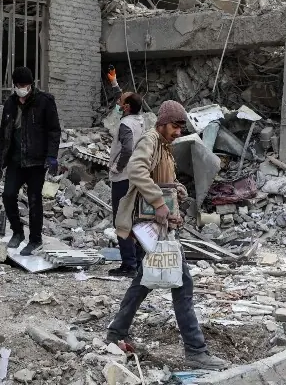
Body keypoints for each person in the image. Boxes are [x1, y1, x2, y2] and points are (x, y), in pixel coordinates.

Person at [106, 100, 228, 371]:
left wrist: (176, 193)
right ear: (162, 122)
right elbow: (137, 171)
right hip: (153, 226)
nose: (177, 132)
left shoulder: (164, 145)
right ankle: (196, 351)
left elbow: (161, 178)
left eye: (180, 128)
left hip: (160, 226)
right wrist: (161, 204)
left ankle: (116, 332)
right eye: (174, 126)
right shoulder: (150, 140)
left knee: (144, 281)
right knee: (182, 286)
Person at [0, 67, 61, 256]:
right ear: (14, 85)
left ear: (31, 85)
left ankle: (35, 240)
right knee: (8, 195)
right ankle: (17, 232)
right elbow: (4, 134)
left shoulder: (45, 102)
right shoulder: (10, 104)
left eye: (25, 85)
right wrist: (0, 160)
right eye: (19, 85)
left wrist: (52, 155)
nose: (22, 89)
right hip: (15, 160)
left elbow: (54, 130)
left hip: (35, 161)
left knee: (34, 200)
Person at [107, 92, 146, 277]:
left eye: (121, 101)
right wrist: (115, 85)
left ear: (127, 107)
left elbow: (127, 149)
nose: (118, 102)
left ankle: (128, 265)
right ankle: (138, 261)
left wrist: (117, 166)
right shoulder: (140, 120)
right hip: (137, 175)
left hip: (123, 177)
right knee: (135, 220)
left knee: (122, 220)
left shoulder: (125, 124)